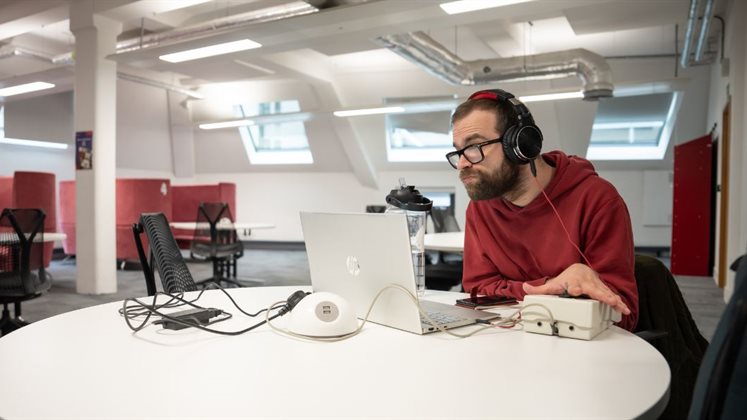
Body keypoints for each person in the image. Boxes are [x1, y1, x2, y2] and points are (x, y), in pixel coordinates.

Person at [447, 89, 638, 331]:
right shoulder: (481, 207)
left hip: (578, 349)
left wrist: (513, 289)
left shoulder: (597, 199)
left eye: (474, 146)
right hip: (510, 339)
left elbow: (625, 314)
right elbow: (477, 291)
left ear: (520, 144)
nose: (462, 163)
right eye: (458, 151)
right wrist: (554, 286)